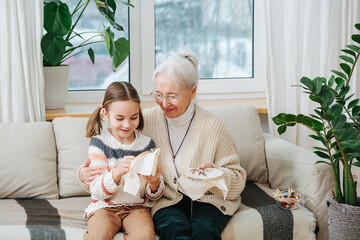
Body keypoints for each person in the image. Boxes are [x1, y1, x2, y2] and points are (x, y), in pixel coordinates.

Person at [79, 50, 247, 240]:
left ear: (193, 91)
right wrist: (82, 174)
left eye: (172, 96)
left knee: (205, 232)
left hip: (208, 201)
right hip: (168, 201)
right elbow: (108, 157)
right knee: (173, 231)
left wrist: (216, 175)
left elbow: (238, 179)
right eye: (158, 94)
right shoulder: (143, 121)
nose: (164, 103)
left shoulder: (213, 125)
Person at [83, 81, 164, 240]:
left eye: (133, 117)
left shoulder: (147, 144)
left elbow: (154, 195)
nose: (127, 124)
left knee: (145, 236)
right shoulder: (99, 144)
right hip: (104, 208)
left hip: (137, 208)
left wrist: (154, 183)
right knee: (98, 236)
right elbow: (97, 190)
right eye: (119, 118)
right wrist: (117, 173)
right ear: (105, 114)